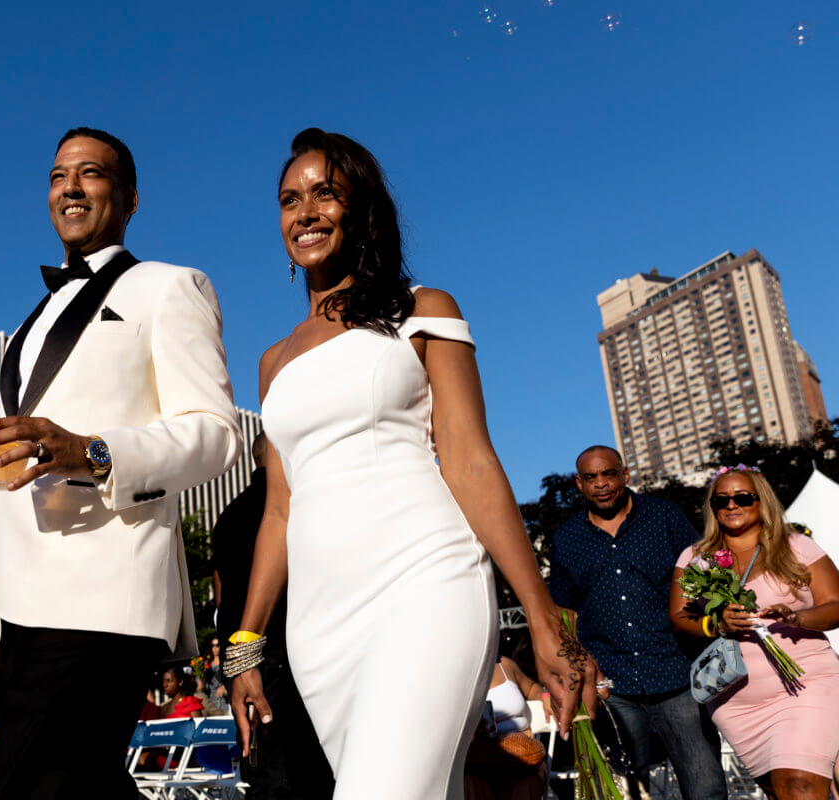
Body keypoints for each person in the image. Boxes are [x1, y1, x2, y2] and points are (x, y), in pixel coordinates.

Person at [228, 128, 599, 800]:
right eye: (289, 199)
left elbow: (471, 461)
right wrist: (245, 647)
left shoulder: (422, 311)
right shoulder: (272, 362)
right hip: (319, 625)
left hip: (425, 583)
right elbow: (280, 509)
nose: (305, 211)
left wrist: (543, 618)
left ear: (361, 209)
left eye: (324, 193)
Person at [0, 126, 241, 799]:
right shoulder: (27, 326)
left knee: (22, 786)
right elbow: (18, 475)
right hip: (14, 612)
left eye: (90, 172)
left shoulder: (170, 286)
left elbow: (216, 435)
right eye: (57, 175)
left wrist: (93, 450)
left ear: (130, 198)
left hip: (105, 597)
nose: (70, 186)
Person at [548, 445, 727, 800]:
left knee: (705, 786)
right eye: (590, 477)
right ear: (579, 484)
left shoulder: (663, 516)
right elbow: (563, 612)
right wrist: (576, 667)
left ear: (625, 475)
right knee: (625, 790)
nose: (601, 484)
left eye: (608, 474)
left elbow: (703, 576)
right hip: (611, 686)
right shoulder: (567, 539)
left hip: (678, 674)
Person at [670, 464, 839, 800]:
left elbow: (835, 604)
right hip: (736, 702)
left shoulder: (796, 545)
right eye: (722, 500)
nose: (732, 505)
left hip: (806, 684)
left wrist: (797, 617)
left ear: (761, 500)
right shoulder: (695, 558)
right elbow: (678, 615)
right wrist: (716, 624)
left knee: (797, 783)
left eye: (743, 498)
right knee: (780, 791)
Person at [215, 432, 334, 800]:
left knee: (263, 772)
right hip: (290, 654)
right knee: (309, 775)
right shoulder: (294, 504)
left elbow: (220, 598)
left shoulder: (226, 517)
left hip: (243, 660)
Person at [463, 657, 551, 800]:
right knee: (471, 781)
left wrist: (545, 695)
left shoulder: (504, 664)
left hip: (522, 753)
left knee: (528, 781)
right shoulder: (454, 672)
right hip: (479, 757)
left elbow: (532, 688)